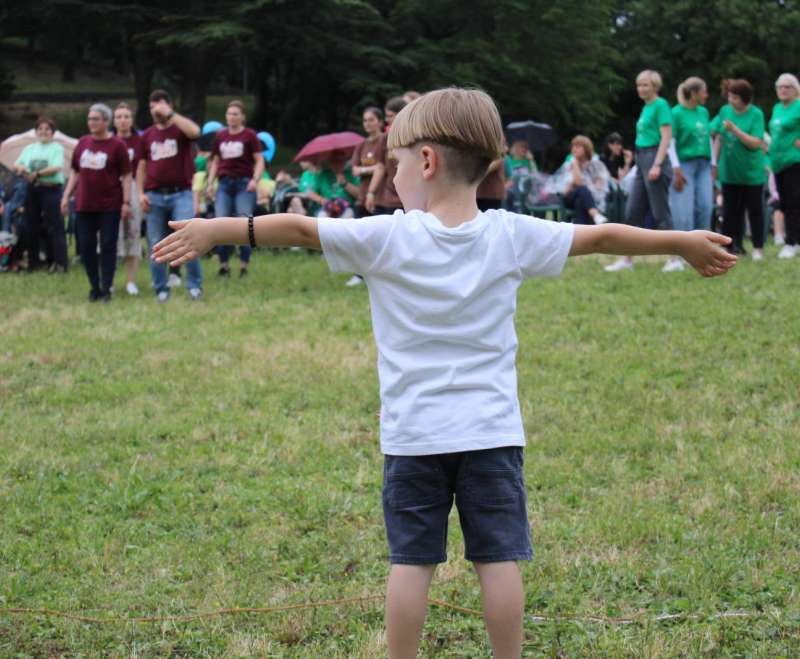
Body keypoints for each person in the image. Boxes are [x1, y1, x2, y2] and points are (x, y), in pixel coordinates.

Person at [153, 87, 736, 659]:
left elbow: (302, 230)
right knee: (498, 559)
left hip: (413, 436)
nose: (395, 175)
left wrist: (216, 230)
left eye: (397, 163)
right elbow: (604, 235)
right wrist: (680, 241)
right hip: (491, 432)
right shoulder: (512, 234)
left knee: (411, 563)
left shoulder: (385, 238)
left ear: (426, 161)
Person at [606, 70, 680, 272]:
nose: (641, 89)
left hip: (655, 158)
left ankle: (675, 259)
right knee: (632, 211)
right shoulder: (646, 108)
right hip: (641, 160)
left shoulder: (661, 105)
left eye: (645, 85)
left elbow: (666, 137)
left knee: (660, 213)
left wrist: (657, 164)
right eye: (639, 85)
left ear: (655, 86)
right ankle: (626, 260)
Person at [137, 89, 202, 302]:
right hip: (154, 196)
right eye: (152, 105)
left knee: (190, 239)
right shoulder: (147, 135)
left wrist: (171, 114)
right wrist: (140, 193)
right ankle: (161, 289)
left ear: (169, 105)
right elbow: (142, 166)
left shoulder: (178, 128)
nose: (155, 109)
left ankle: (194, 286)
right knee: (156, 243)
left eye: (160, 104)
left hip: (180, 193)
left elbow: (195, 132)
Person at [61, 104, 131, 302]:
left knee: (108, 246)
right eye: (90, 119)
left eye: (96, 119)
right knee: (85, 246)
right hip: (84, 204)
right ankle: (94, 286)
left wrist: (126, 202)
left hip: (109, 205)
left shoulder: (117, 145)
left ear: (106, 122)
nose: (91, 122)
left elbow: (126, 175)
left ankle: (106, 287)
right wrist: (66, 196)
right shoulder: (83, 143)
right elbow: (75, 171)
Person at [710, 79, 767, 259]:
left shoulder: (756, 114)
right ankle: (731, 247)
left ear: (745, 99)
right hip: (729, 173)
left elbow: (756, 143)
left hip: (752, 173)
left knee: (755, 210)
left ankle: (758, 248)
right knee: (730, 212)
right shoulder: (725, 111)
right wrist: (714, 163)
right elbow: (717, 136)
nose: (730, 100)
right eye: (729, 96)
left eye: (735, 97)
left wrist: (735, 130)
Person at [206, 100, 263, 277]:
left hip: (243, 184)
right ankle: (224, 265)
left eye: (235, 114)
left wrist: (255, 179)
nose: (231, 117)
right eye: (229, 114)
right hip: (224, 184)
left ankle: (244, 265)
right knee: (220, 223)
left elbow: (259, 160)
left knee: (245, 224)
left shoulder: (249, 135)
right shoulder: (221, 136)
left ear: (242, 117)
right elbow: (215, 161)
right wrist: (210, 182)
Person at [14, 117, 67, 272]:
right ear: (36, 132)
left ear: (52, 132)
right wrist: (23, 170)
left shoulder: (56, 148)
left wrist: (37, 174)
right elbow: (17, 164)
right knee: (31, 226)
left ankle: (59, 263)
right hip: (33, 190)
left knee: (54, 226)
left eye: (47, 129)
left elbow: (56, 167)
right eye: (40, 129)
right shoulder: (30, 148)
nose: (43, 132)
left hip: (51, 189)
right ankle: (34, 262)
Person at [669, 77, 714, 238]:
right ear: (694, 93)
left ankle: (704, 245)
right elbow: (670, 142)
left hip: (704, 164)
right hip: (684, 165)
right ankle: (682, 248)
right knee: (683, 209)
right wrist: (676, 168)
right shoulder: (676, 112)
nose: (706, 95)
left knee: (706, 205)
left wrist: (714, 164)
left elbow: (708, 138)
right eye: (704, 92)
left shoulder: (703, 112)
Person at [112, 103, 144, 295]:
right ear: (113, 120)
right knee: (110, 236)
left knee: (133, 233)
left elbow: (142, 168)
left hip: (132, 187)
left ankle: (131, 281)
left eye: (126, 116)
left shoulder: (139, 141)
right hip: (109, 189)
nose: (123, 120)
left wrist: (140, 192)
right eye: (119, 117)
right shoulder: (108, 140)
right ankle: (110, 280)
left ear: (132, 120)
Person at [768, 73, 800, 258]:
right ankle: (795, 241)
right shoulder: (777, 108)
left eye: (787, 86)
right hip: (777, 162)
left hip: (795, 161)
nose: (783, 90)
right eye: (780, 86)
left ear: (795, 89)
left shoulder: (799, 106)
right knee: (785, 203)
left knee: (795, 202)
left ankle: (791, 242)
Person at [557, 135, 610, 224]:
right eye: (573, 146)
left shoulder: (596, 165)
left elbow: (600, 185)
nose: (574, 149)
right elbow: (577, 183)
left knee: (580, 201)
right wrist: (575, 165)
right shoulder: (569, 164)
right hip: (569, 197)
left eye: (578, 146)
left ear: (586, 149)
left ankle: (580, 231)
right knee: (582, 188)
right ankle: (595, 214)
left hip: (590, 197)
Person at [371, 96, 408, 215]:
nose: (387, 120)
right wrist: (371, 192)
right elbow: (380, 167)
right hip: (390, 198)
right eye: (386, 116)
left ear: (402, 114)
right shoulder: (385, 138)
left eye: (390, 115)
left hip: (410, 197)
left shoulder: (415, 137)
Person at [351, 107, 385, 218]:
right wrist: (373, 168)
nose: (367, 123)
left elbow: (384, 168)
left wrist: (364, 170)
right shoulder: (361, 145)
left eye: (371, 120)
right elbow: (355, 171)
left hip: (381, 198)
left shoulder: (385, 140)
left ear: (380, 122)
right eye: (365, 120)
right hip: (362, 198)